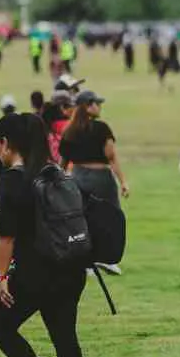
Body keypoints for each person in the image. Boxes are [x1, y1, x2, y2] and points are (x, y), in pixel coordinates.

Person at [0, 112, 88, 357]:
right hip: (71, 266)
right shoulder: (53, 172)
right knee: (64, 335)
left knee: (0, 326)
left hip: (36, 270)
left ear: (5, 144)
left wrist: (2, 276)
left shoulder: (12, 181)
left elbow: (7, 237)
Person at [59, 90, 130, 274]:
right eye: (97, 103)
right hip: (101, 178)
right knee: (110, 216)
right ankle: (107, 258)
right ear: (88, 106)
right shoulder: (101, 128)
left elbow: (63, 161)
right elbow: (111, 156)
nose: (99, 107)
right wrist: (123, 181)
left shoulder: (69, 130)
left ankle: (85, 261)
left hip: (78, 176)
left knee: (82, 219)